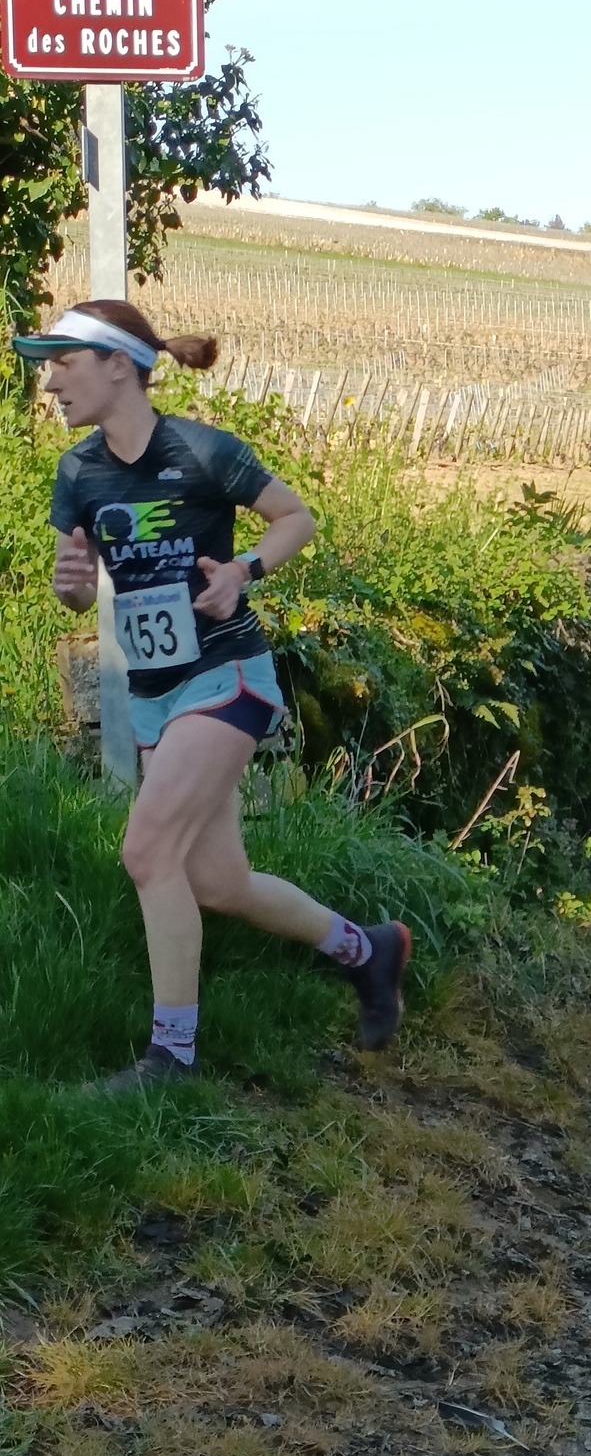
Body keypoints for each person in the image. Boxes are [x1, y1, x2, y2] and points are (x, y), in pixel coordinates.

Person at [16, 301, 411, 1090]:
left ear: (118, 365)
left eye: (63, 360)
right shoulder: (77, 472)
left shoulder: (201, 450)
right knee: (217, 882)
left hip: (226, 676)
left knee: (146, 850)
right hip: (156, 694)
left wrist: (242, 572)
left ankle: (172, 1055)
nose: (47, 378)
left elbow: (295, 518)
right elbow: (73, 583)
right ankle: (368, 952)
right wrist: (68, 586)